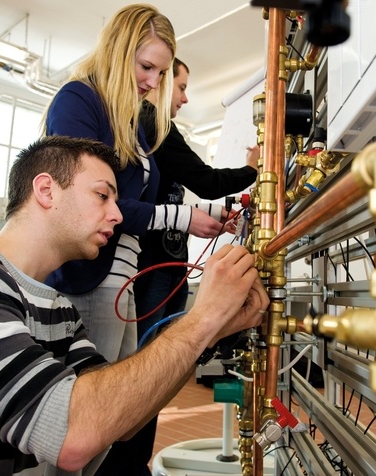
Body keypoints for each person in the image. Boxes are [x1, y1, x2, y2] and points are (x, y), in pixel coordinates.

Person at [0, 135, 268, 476]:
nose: (116, 213)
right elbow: (70, 434)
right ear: (46, 190)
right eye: (102, 195)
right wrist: (202, 320)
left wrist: (212, 332)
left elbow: (121, 422)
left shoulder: (59, 310)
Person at [42, 4, 233, 367]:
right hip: (90, 276)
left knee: (122, 394)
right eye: (146, 67)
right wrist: (183, 218)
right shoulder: (79, 100)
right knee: (100, 401)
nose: (153, 82)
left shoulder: (129, 120)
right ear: (117, 50)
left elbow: (139, 198)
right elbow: (90, 203)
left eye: (161, 73)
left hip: (122, 274)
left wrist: (207, 213)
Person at [110, 58, 259, 476]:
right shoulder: (151, 121)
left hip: (162, 267)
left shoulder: (150, 131)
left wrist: (208, 214)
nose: (184, 96)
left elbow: (175, 200)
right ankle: (126, 462)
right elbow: (205, 179)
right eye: (180, 86)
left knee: (149, 372)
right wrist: (253, 167)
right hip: (153, 270)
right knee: (148, 371)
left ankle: (130, 460)